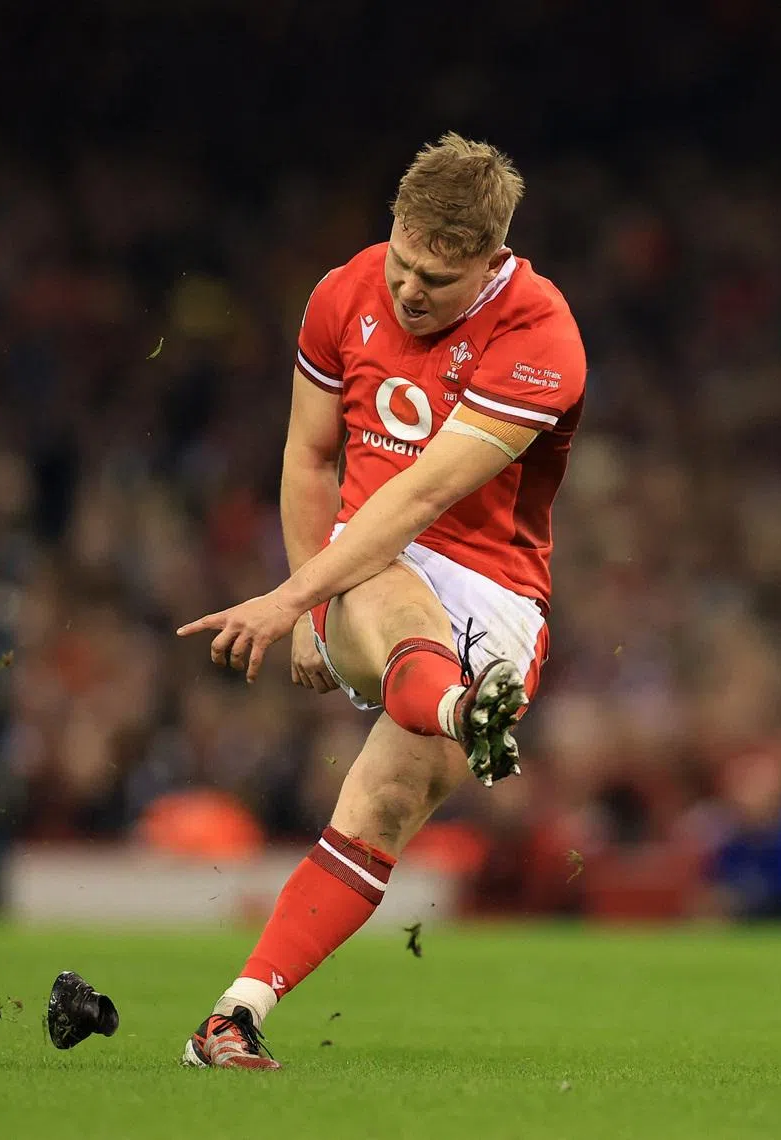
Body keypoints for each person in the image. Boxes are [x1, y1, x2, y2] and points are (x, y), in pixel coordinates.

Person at [176, 133, 587, 1069]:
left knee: (384, 807)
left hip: (492, 588)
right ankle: (459, 708)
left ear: (493, 260)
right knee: (384, 575)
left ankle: (232, 1016)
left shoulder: (540, 337)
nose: (409, 291)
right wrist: (312, 599)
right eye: (403, 263)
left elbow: (420, 499)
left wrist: (288, 600)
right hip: (362, 565)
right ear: (392, 231)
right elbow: (311, 455)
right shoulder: (341, 293)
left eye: (438, 281)